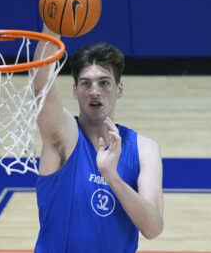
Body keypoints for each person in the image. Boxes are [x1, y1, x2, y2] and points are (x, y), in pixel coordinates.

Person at [33, 25, 164, 252]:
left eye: (103, 82)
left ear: (119, 89)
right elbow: (40, 86)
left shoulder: (145, 150)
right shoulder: (63, 137)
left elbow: (153, 228)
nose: (95, 91)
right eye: (86, 84)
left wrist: (111, 176)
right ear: (75, 91)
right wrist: (52, 26)